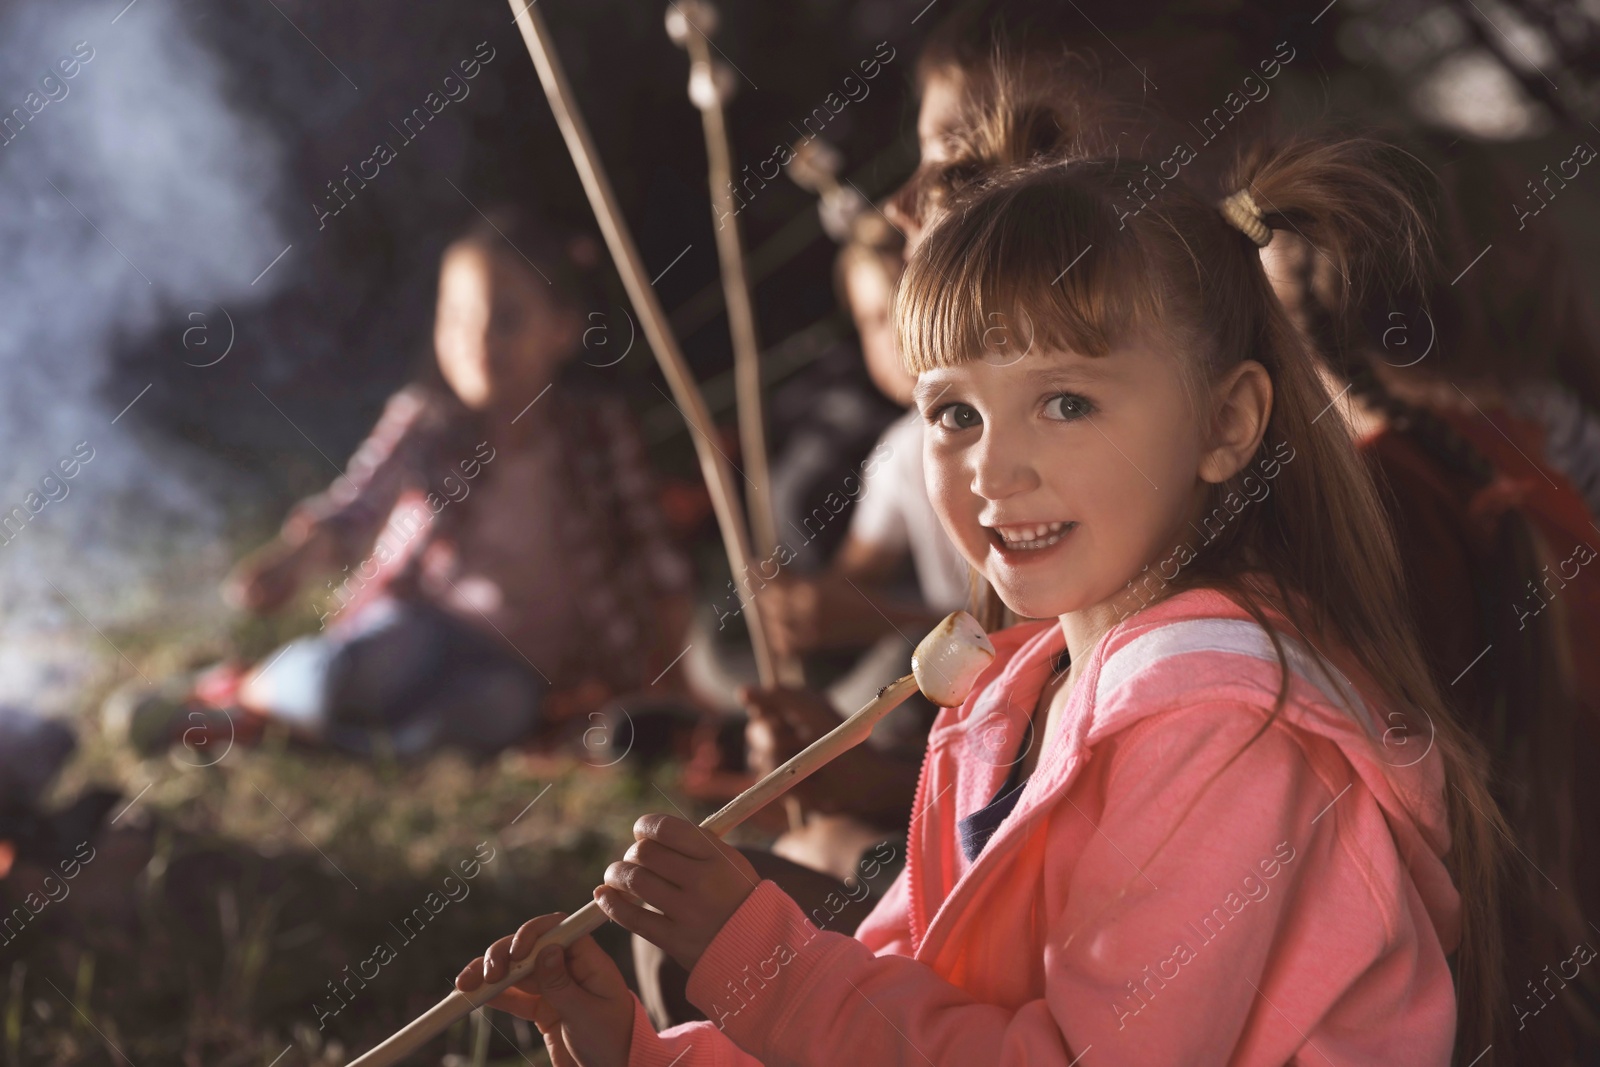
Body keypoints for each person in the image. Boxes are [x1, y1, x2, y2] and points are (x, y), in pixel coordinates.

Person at [455, 139, 1508, 1065]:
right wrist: (647, 1054)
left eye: (1065, 400)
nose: (992, 467)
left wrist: (757, 958)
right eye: (953, 410)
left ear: (1226, 423)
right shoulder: (1019, 689)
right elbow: (912, 994)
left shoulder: (1224, 733)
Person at [116, 209, 697, 760]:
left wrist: (671, 676)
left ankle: (319, 745)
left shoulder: (597, 436)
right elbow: (356, 508)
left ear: (564, 332)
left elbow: (653, 557)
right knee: (355, 675)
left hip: (525, 664)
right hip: (424, 623)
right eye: (458, 319)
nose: (479, 341)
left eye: (508, 320)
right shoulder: (426, 420)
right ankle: (245, 695)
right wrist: (295, 560)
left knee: (494, 714)